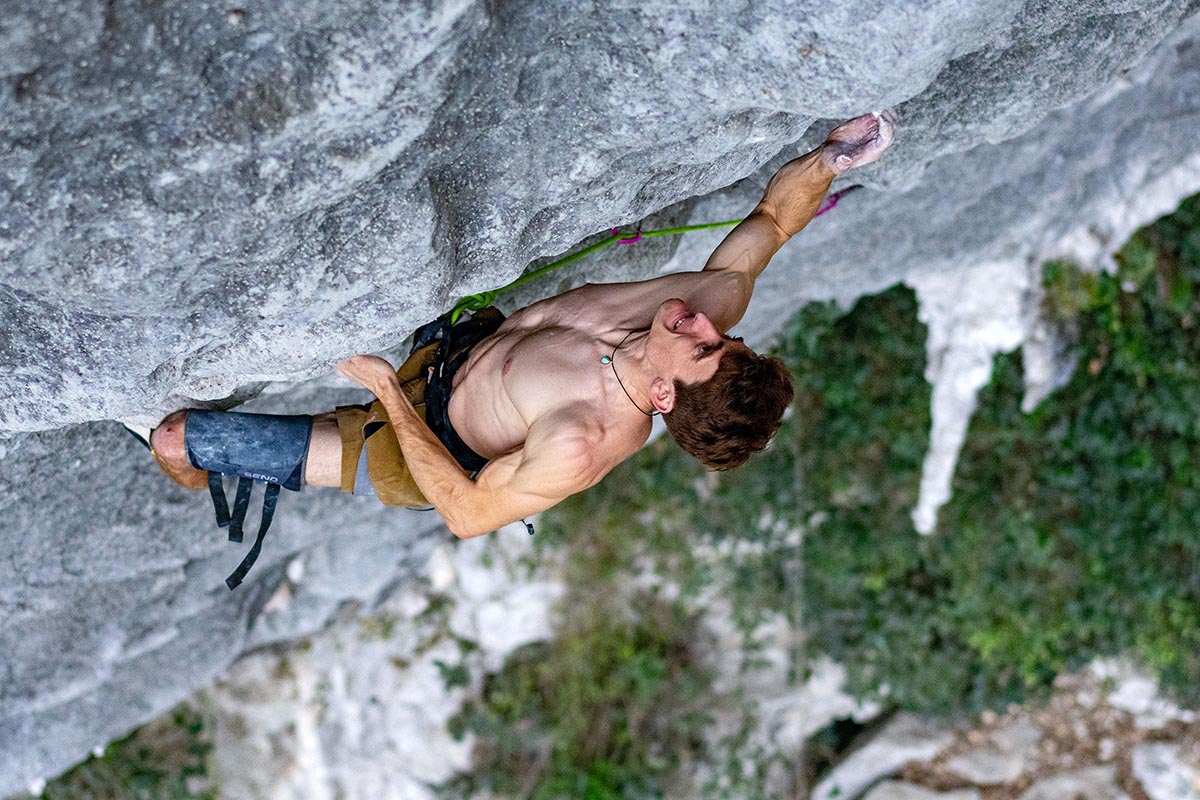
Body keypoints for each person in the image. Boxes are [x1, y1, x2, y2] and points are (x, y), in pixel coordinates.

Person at [145, 112, 894, 584]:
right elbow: (771, 221)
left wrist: (384, 394)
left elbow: (468, 515)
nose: (704, 324)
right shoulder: (701, 308)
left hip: (417, 449)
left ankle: (195, 464)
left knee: (178, 436)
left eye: (703, 346)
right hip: (451, 351)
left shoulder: (583, 443)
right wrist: (832, 160)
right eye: (722, 336)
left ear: (664, 398)